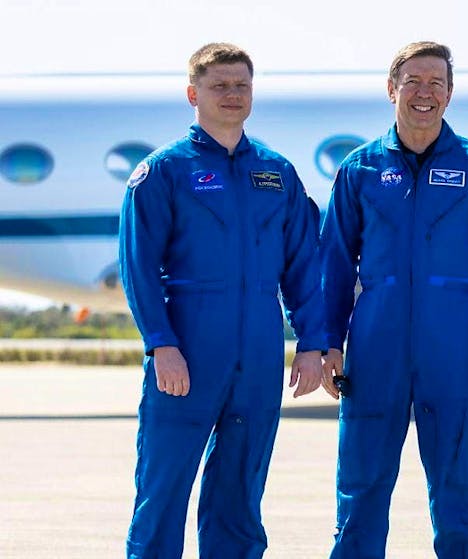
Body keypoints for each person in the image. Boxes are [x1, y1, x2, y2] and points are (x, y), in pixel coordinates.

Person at [320, 41, 468, 558]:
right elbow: (334, 266)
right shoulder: (359, 170)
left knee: (458, 491)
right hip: (376, 346)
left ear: (451, 94)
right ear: (391, 89)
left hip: (453, 344)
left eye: (437, 83)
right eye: (412, 81)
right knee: (361, 490)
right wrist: (325, 342)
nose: (424, 93)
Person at [119, 43, 326, 558]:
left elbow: (304, 266)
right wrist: (160, 344)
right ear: (194, 93)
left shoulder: (277, 173)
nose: (232, 95)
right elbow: (138, 267)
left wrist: (311, 341)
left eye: (242, 85)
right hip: (189, 345)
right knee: (163, 490)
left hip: (257, 350)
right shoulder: (163, 172)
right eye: (220, 85)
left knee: (240, 492)